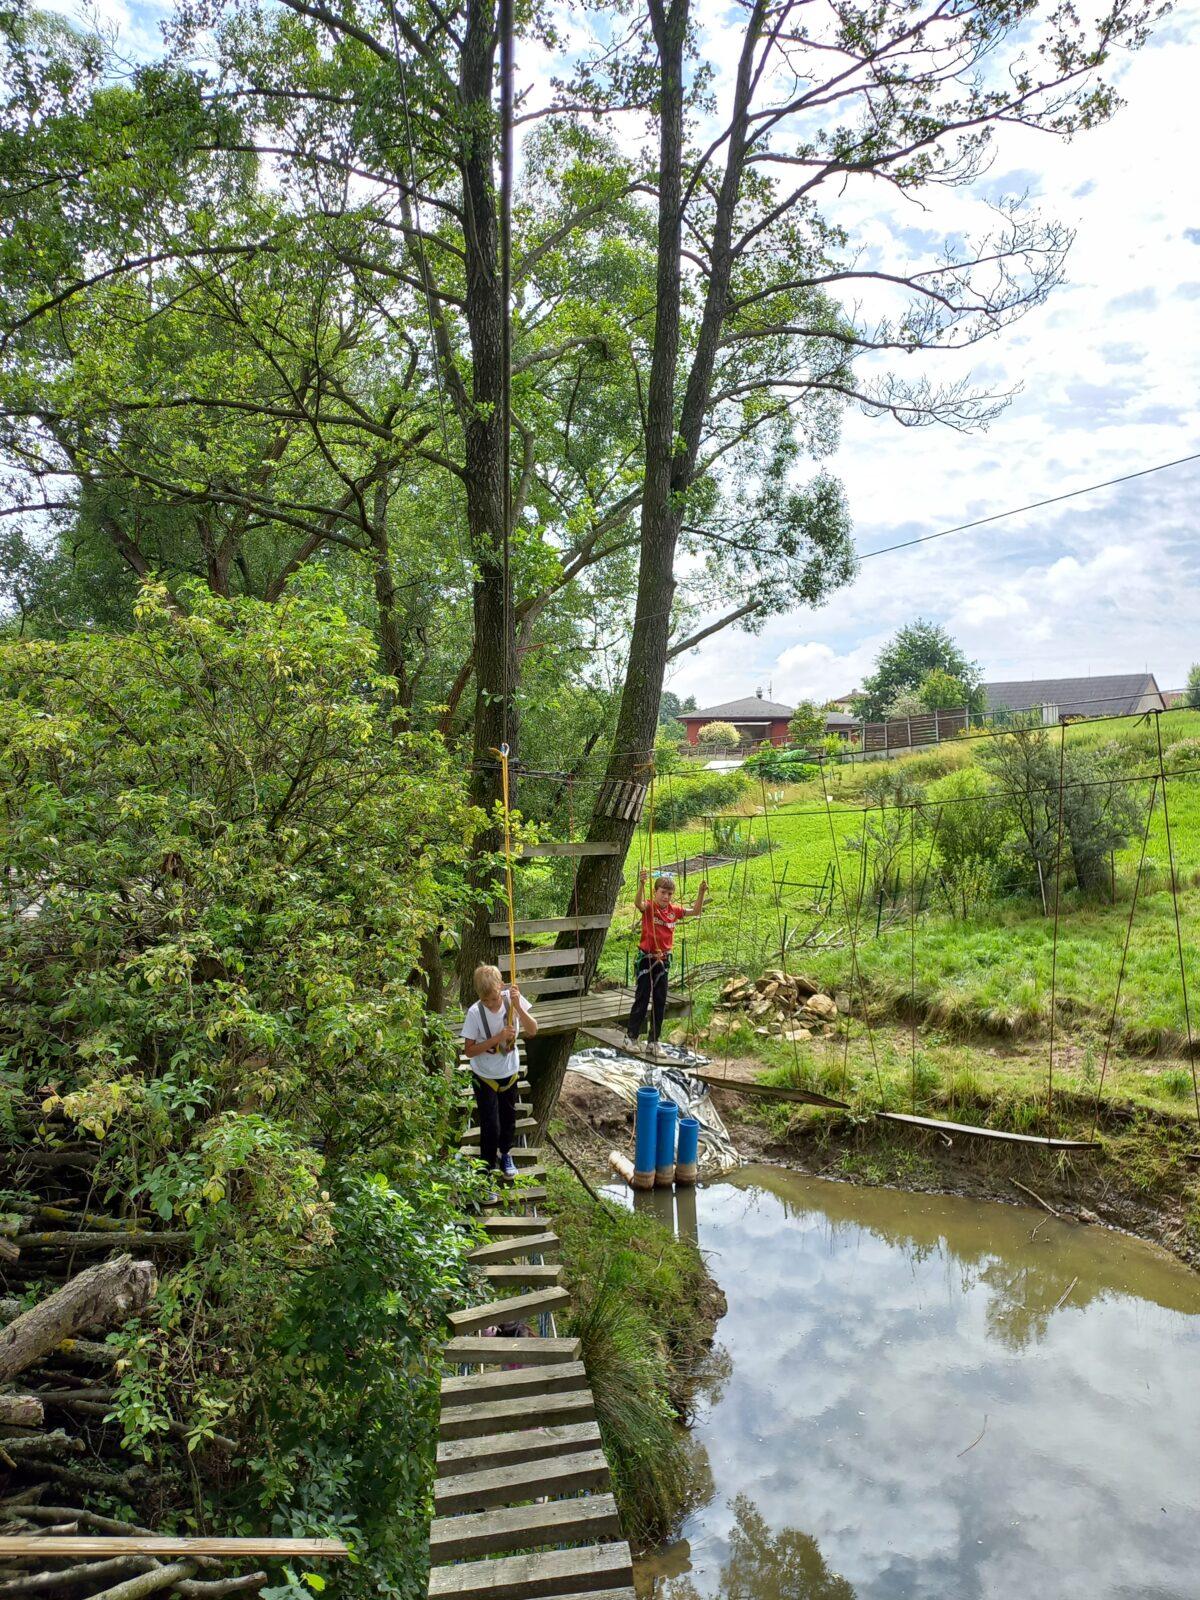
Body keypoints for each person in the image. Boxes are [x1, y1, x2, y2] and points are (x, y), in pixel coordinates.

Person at [460, 963, 538, 1188]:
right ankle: (486, 1171)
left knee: (508, 1121)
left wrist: (518, 1007)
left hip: (509, 1073)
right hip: (484, 1076)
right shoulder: (475, 1013)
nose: (492, 1004)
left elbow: (532, 1030)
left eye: (495, 998)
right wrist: (497, 1038)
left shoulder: (510, 1000)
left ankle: (506, 1154)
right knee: (490, 1126)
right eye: (486, 1001)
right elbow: (469, 1050)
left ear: (501, 988)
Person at [625, 871, 707, 1050]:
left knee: (660, 1000)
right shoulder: (649, 907)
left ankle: (653, 1041)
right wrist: (641, 885)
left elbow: (696, 911)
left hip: (663, 960)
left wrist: (701, 893)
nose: (666, 897)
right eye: (663, 892)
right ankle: (631, 1037)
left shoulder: (673, 911)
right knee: (643, 997)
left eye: (669, 894)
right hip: (647, 959)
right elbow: (637, 903)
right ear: (655, 892)